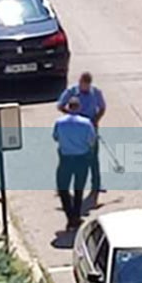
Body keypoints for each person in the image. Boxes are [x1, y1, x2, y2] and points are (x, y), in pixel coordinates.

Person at [57, 72, 107, 203]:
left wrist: (96, 120)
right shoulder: (71, 92)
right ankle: (64, 186)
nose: (85, 88)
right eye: (83, 85)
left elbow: (102, 107)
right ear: (80, 82)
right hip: (74, 128)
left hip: (90, 126)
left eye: (87, 85)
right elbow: (60, 105)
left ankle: (96, 185)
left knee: (93, 157)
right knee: (70, 156)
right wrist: (72, 115)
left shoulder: (96, 92)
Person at [53, 97, 96, 230]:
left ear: (68, 107)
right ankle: (76, 216)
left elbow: (55, 137)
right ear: (78, 108)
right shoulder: (86, 123)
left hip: (65, 158)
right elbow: (91, 141)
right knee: (79, 188)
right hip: (81, 158)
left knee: (63, 188)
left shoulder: (59, 122)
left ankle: (69, 215)